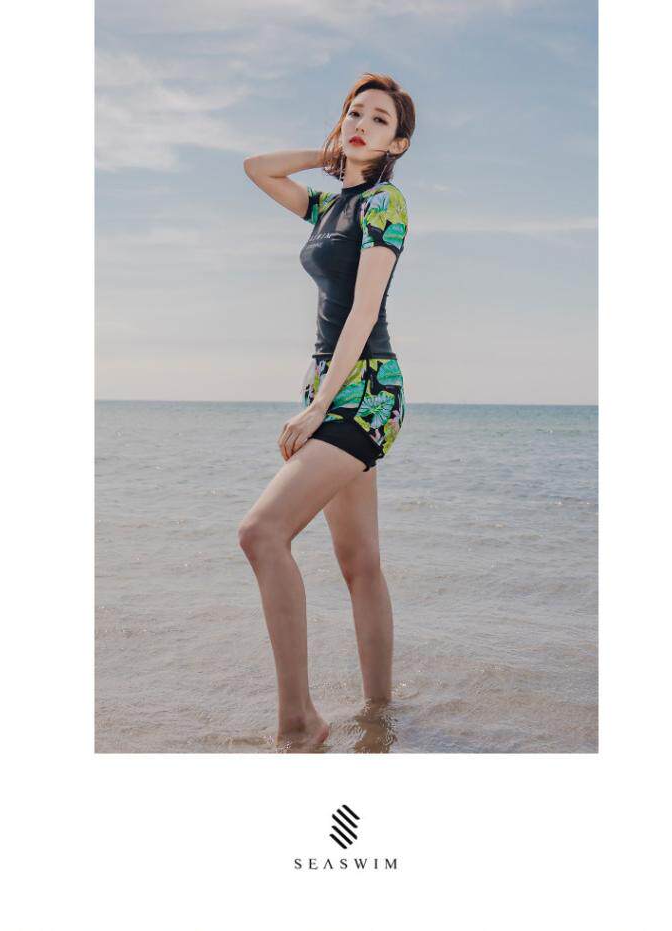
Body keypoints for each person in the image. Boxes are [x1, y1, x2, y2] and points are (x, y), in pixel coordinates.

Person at [238, 73, 415, 751]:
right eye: (354, 113)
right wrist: (329, 154)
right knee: (358, 560)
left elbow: (365, 310)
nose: (362, 123)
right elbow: (256, 168)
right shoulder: (329, 205)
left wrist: (318, 406)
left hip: (365, 391)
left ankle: (299, 720)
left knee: (261, 532)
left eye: (379, 120)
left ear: (398, 143)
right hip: (329, 382)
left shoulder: (385, 203)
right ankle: (380, 716)